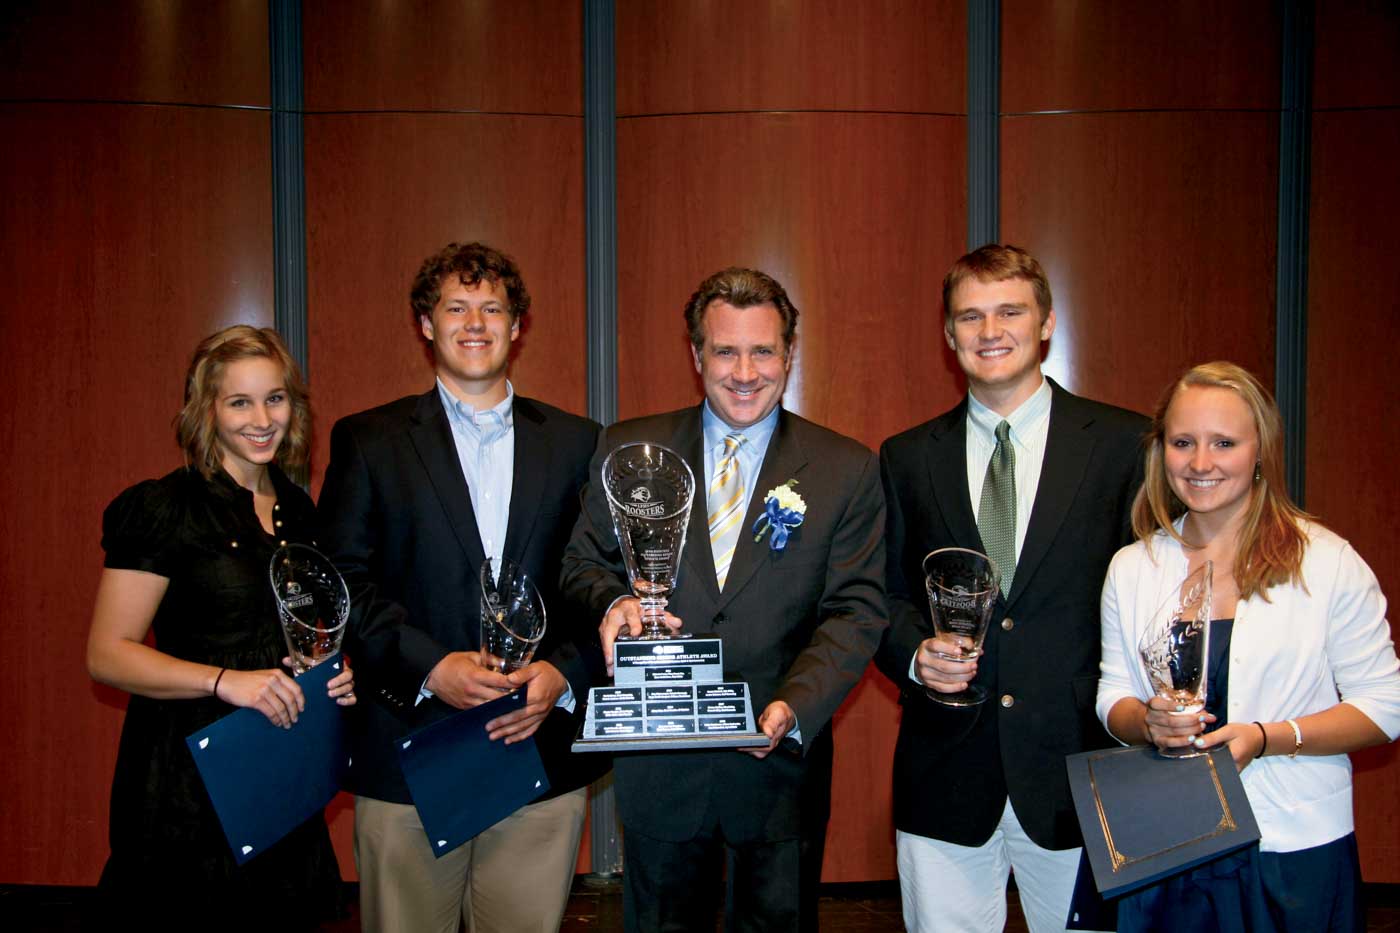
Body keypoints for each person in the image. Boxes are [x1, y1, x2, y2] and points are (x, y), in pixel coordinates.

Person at [561, 267, 887, 932]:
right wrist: (613, 599)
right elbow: (580, 563)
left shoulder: (845, 468)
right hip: (661, 759)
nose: (745, 371)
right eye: (725, 350)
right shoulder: (628, 449)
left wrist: (796, 707)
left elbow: (856, 610)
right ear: (696, 355)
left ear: (789, 354)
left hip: (776, 770)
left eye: (763, 350)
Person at [316, 241, 606, 933]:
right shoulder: (369, 439)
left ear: (517, 326)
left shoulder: (578, 441)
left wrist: (561, 675)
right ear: (425, 323)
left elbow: (599, 584)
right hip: (411, 752)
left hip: (536, 746)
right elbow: (342, 582)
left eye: (492, 308)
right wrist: (432, 667)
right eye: (456, 306)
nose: (475, 322)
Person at [874, 244, 1149, 932]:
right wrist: (915, 653)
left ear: (1047, 323)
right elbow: (877, 596)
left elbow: (1152, 597)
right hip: (945, 770)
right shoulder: (907, 456)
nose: (989, 329)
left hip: (1079, 775)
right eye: (970, 315)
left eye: (1009, 311)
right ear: (948, 335)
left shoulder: (1124, 444)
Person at [1097, 361, 1400, 931]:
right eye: (1183, 442)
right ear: (1161, 451)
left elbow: (1385, 707)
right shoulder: (1133, 567)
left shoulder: (1327, 562)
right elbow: (1112, 696)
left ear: (1260, 450)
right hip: (1167, 847)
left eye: (1224, 443)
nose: (1201, 463)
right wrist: (1147, 722)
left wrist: (1266, 739)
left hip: (1293, 852)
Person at [85, 325, 355, 928]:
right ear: (206, 410)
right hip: (188, 781)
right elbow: (107, 655)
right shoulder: (163, 507)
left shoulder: (299, 509)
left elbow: (297, 636)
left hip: (282, 766)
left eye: (275, 398)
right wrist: (226, 681)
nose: (262, 418)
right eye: (240, 401)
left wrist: (329, 675)